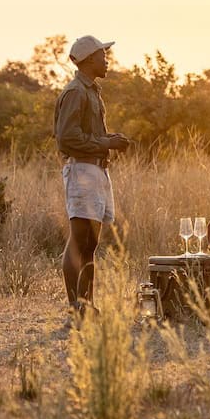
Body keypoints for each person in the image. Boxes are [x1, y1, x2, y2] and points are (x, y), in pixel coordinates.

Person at [54, 35, 132, 319]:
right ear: (89, 60)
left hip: (96, 170)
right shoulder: (76, 92)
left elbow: (86, 134)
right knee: (79, 240)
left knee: (90, 244)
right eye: (103, 56)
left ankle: (86, 305)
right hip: (82, 171)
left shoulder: (90, 91)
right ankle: (76, 307)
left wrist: (110, 139)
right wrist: (106, 143)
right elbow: (67, 138)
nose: (107, 61)